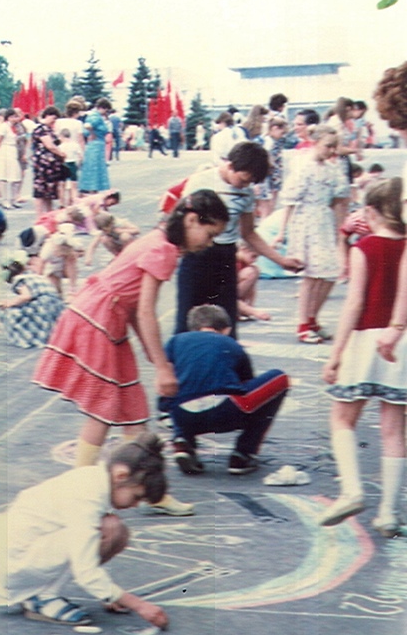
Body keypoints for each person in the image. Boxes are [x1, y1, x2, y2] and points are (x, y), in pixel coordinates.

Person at [33, 190, 230, 515]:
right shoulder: (164, 250)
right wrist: (163, 369)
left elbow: (139, 307)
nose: (208, 243)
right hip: (99, 317)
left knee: (132, 408)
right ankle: (79, 488)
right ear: (192, 220)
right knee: (104, 408)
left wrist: (156, 358)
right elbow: (146, 312)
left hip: (106, 314)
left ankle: (153, 491)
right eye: (209, 234)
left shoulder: (159, 240)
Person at [0, 433, 170, 630]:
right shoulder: (86, 497)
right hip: (17, 566)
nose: (135, 505)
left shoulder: (97, 480)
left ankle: (47, 591)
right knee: (107, 530)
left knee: (114, 530)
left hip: (31, 554)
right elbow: (85, 570)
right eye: (136, 497)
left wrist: (109, 593)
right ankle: (40, 597)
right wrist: (139, 605)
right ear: (121, 476)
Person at [320, 178, 406, 536]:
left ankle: (351, 489)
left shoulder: (364, 248)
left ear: (370, 212)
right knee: (393, 429)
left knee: (342, 418)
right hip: (401, 341)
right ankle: (388, 512)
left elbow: (354, 303)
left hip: (365, 339)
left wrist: (335, 354)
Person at [173, 141, 302, 335]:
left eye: (250, 182)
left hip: (225, 258)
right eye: (243, 179)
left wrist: (281, 260)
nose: (246, 185)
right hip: (197, 256)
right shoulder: (200, 181)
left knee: (226, 321)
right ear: (231, 165)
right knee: (188, 317)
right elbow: (179, 219)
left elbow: (248, 233)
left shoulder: (246, 194)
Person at [161, 304, 289, 477]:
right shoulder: (231, 343)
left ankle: (182, 441)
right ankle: (243, 453)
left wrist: (166, 411)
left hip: (182, 415)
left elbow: (165, 380)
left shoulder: (175, 341)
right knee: (278, 378)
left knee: (178, 388)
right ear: (226, 329)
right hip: (225, 411)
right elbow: (246, 383)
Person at [276, 125, 351, 343]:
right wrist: (282, 231)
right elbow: (290, 201)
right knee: (311, 274)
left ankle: (312, 317)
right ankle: (302, 324)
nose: (332, 150)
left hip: (324, 222)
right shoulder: (304, 166)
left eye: (335, 146)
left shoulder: (331, 168)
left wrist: (339, 229)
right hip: (306, 221)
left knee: (329, 272)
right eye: (328, 146)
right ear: (315, 142)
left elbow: (340, 198)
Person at [0, 250, 65, 349]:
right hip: (57, 305)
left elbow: (26, 296)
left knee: (9, 311)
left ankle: (28, 335)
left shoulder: (20, 280)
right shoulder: (35, 276)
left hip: (43, 306)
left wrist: (9, 303)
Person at [29, 107, 66, 216]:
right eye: (53, 118)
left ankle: (49, 214)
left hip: (51, 165)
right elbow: (50, 145)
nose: (54, 121)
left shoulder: (49, 129)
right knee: (41, 190)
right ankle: (40, 215)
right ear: (47, 115)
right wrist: (61, 153)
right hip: (43, 164)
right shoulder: (41, 129)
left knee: (49, 191)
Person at [80, 99, 111, 191]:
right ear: (102, 108)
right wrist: (92, 133)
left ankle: (92, 187)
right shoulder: (95, 116)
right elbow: (87, 126)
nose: (106, 113)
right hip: (96, 144)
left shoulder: (93, 115)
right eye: (106, 110)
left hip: (96, 144)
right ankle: (93, 187)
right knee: (95, 167)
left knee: (94, 167)